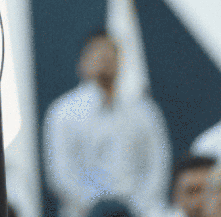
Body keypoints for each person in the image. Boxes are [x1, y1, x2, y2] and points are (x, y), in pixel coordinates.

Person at [43, 30, 171, 217]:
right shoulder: (63, 112)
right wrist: (98, 209)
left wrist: (136, 207)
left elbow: (158, 165)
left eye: (110, 51)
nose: (104, 57)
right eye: (97, 51)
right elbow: (61, 173)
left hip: (139, 211)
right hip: (85, 212)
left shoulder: (145, 111)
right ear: (81, 63)